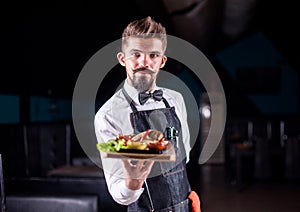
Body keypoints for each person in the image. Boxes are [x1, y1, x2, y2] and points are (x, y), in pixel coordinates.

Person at [94, 16, 200, 212]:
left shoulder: (177, 100)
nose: (144, 62)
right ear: (122, 58)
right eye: (136, 54)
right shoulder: (108, 115)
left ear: (162, 61)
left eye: (153, 55)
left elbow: (184, 157)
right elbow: (118, 193)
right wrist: (133, 183)